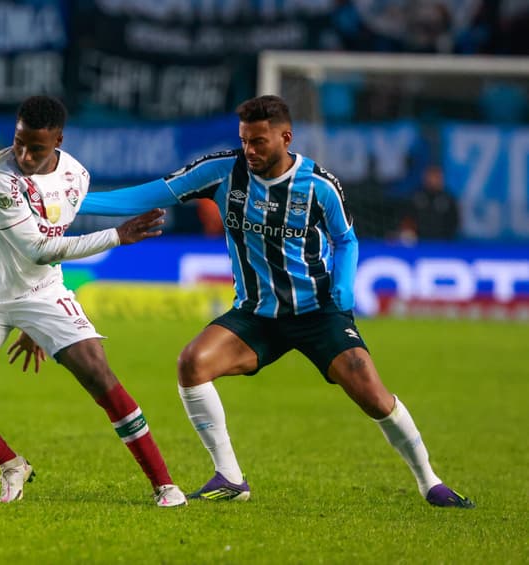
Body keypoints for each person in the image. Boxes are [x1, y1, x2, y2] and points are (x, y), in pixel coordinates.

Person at [73, 94, 474, 508]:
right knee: (192, 364)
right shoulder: (222, 171)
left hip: (318, 312)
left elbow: (346, 239)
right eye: (245, 140)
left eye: (259, 142)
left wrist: (345, 284)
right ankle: (229, 477)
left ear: (286, 138)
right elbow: (153, 193)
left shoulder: (319, 185)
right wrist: (75, 203)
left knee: (372, 393)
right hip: (256, 315)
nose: (250, 150)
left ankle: (430, 482)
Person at [0, 95, 186, 507]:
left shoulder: (76, 176)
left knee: (99, 373)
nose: (25, 155)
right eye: (19, 142)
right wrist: (118, 235)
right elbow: (39, 247)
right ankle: (12, 464)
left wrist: (36, 325)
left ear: (59, 141)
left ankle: (165, 484)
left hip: (43, 293)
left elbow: (52, 245)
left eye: (37, 148)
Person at [403, 164, 460, 241]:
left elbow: (454, 221)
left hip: (443, 242)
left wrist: (447, 238)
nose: (433, 180)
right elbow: (408, 218)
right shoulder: (416, 196)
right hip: (419, 242)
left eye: (436, 177)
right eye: (430, 176)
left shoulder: (448, 199)